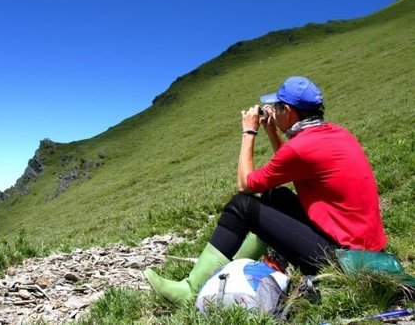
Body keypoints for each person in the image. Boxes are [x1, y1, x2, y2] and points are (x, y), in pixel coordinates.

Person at [144, 76, 387, 305]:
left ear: (289, 111)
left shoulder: (302, 147)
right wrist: (273, 131)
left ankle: (190, 290)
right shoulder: (336, 134)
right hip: (367, 252)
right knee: (275, 196)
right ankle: (234, 269)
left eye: (277, 106)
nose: (272, 110)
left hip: (343, 261)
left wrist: (249, 131)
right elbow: (292, 161)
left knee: (242, 206)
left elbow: (245, 184)